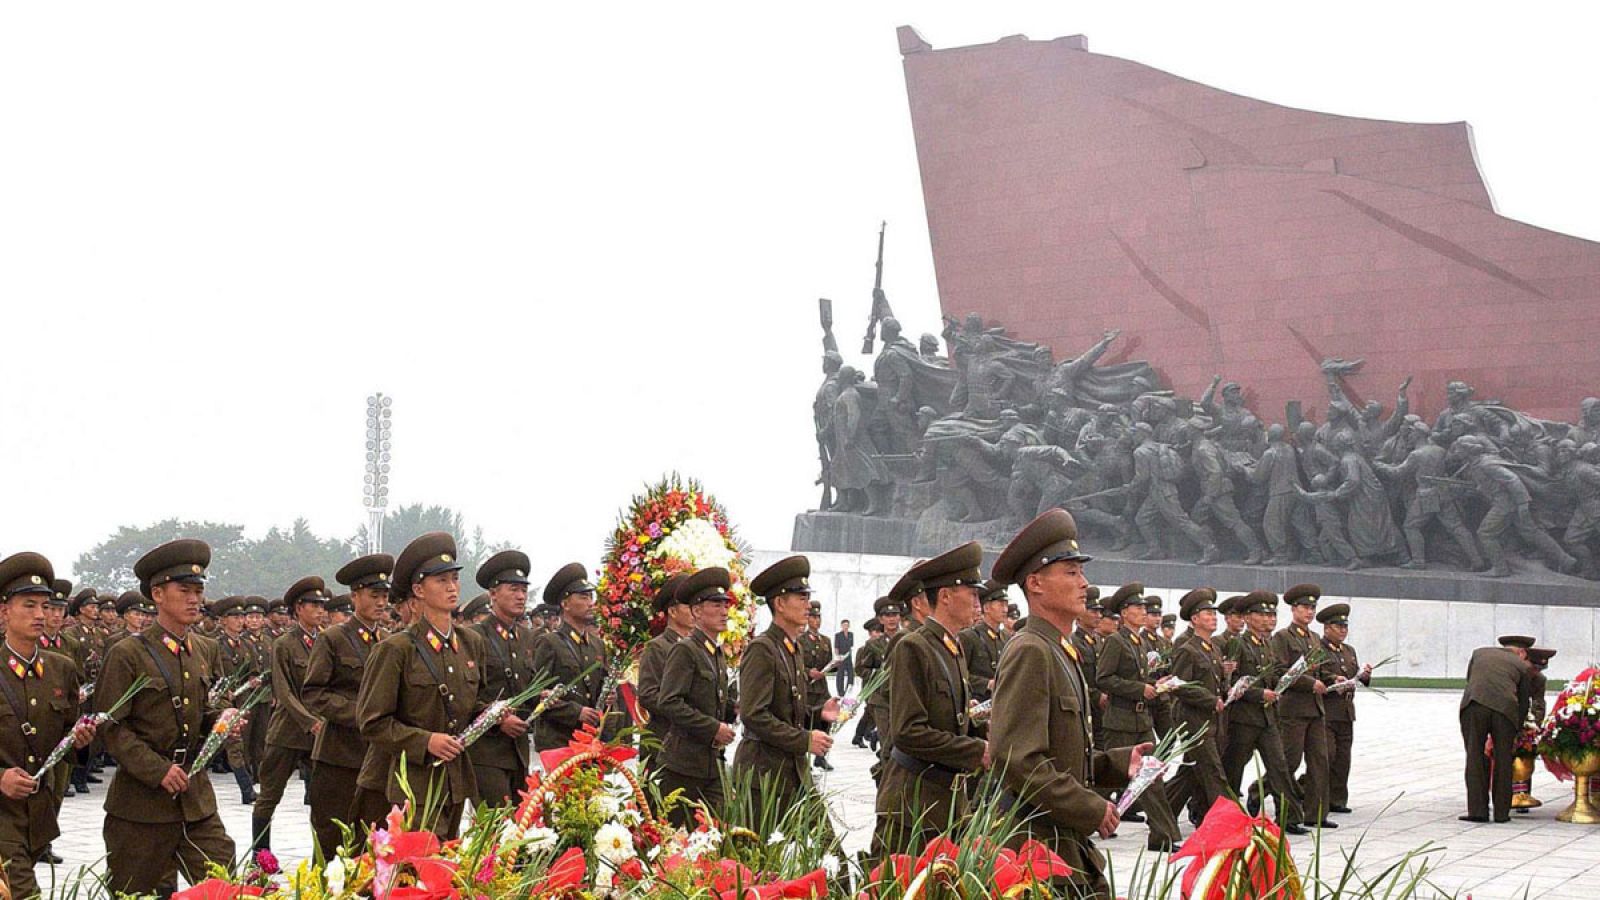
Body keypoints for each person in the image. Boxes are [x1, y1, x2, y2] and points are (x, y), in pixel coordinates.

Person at [989, 509, 1146, 898]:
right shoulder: (1031, 650)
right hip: (1035, 847)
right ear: (1036, 583)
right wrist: (1091, 809)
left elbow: (1057, 755)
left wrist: (1114, 763)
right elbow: (1019, 760)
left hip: (1060, 840)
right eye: (1071, 573)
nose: (1085, 584)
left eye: (1081, 572)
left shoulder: (1061, 649)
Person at [99, 539, 235, 896]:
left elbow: (206, 710)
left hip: (196, 802)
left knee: (227, 888)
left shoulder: (204, 649)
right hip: (142, 808)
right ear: (158, 595)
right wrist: (157, 770)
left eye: (198, 591)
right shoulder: (128, 653)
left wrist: (224, 722)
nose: (195, 599)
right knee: (137, 894)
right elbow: (110, 726)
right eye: (184, 590)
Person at [356, 532, 485, 839]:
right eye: (441, 580)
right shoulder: (396, 649)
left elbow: (468, 702)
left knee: (448, 867)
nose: (452, 587)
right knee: (421, 874)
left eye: (454, 578)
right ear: (418, 589)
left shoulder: (470, 642)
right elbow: (372, 722)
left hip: (456, 781)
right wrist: (424, 741)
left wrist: (493, 713)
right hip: (414, 785)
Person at [874, 542, 990, 855]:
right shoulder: (914, 646)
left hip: (946, 804)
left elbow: (953, 722)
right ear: (946, 595)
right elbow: (908, 731)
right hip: (912, 807)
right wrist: (976, 750)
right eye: (972, 592)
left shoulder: (953, 648)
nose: (978, 602)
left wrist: (988, 734)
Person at [0, 553, 97, 899]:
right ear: (4, 612)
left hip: (37, 815)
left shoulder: (61, 669)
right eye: (29, 605)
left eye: (46, 606)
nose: (41, 615)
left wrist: (82, 740)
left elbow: (66, 738)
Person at [301, 552, 392, 859]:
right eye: (373, 595)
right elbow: (314, 693)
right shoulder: (334, 639)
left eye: (384, 596)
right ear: (355, 596)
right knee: (331, 842)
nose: (381, 602)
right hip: (339, 756)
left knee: (373, 840)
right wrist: (362, 714)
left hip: (377, 757)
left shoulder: (390, 641)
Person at [733, 556, 838, 818]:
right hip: (763, 774)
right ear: (780, 603)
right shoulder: (763, 648)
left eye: (807, 597)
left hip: (792, 770)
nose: (807, 604)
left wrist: (818, 714)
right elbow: (753, 713)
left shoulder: (793, 648)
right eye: (800, 597)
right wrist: (804, 740)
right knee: (760, 854)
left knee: (829, 853)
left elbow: (788, 709)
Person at [1095, 583, 1181, 850]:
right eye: (1138, 607)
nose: (1144, 611)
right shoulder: (1115, 641)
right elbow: (1104, 678)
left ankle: (1162, 836)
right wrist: (1139, 689)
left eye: (1145, 607)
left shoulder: (1140, 641)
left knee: (1151, 777)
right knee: (1105, 777)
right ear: (1124, 611)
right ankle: (1076, 818)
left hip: (1141, 721)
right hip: (1120, 721)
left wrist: (1157, 683)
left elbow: (1139, 679)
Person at [655, 568, 738, 828]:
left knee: (714, 835)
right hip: (683, 766)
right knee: (669, 841)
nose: (724, 611)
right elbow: (669, 701)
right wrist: (712, 728)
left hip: (711, 764)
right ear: (697, 611)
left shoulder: (716, 653)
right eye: (716, 604)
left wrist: (734, 710)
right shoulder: (685, 650)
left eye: (726, 604)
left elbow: (712, 701)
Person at [253, 576, 328, 851]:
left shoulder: (326, 641)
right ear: (298, 608)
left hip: (319, 733)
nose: (320, 610)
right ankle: (260, 856)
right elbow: (283, 691)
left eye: (322, 605)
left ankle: (324, 855)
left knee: (322, 798)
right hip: (288, 731)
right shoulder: (285, 644)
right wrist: (310, 721)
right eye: (313, 605)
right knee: (269, 796)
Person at [1223, 591, 1306, 834]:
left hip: (1268, 717)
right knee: (1233, 769)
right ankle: (1219, 815)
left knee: (1279, 767)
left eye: (1271, 614)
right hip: (1244, 718)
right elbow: (1231, 681)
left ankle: (1289, 818)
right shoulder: (1237, 643)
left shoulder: (1267, 643)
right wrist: (1259, 694)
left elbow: (1272, 674)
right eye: (1262, 614)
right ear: (1248, 617)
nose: (1268, 618)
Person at [465, 550, 540, 808]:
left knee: (518, 827)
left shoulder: (526, 638)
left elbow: (526, 686)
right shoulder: (474, 637)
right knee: (495, 829)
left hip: (518, 750)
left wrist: (541, 699)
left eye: (523, 590)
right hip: (487, 751)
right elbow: (466, 695)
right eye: (513, 589)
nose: (521, 596)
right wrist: (497, 719)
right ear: (493, 594)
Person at [1268, 584, 1335, 830]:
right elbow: (1278, 671)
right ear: (1294, 609)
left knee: (1320, 760)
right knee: (1289, 762)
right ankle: (1273, 804)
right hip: (1294, 709)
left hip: (1315, 709)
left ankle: (1315, 813)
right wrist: (1309, 683)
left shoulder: (1315, 638)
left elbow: (1322, 668)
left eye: (1312, 608)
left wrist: (1333, 678)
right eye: (1305, 607)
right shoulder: (1283, 638)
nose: (1309, 612)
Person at [1162, 588, 1228, 823]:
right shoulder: (1187, 649)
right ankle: (1228, 823)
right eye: (1207, 613)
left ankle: (1163, 815)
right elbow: (1179, 685)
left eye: (1214, 613)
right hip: (1193, 719)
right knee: (1213, 772)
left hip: (1212, 719)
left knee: (1191, 772)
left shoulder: (1213, 648)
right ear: (1195, 619)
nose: (1213, 617)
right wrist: (1211, 700)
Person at [530, 563, 608, 752]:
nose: (591, 603)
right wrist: (575, 712)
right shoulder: (550, 643)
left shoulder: (597, 644)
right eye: (583, 597)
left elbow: (599, 689)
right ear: (565, 604)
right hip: (559, 742)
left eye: (591, 597)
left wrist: (607, 698)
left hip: (590, 740)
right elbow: (536, 695)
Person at [1459, 635, 1536, 823]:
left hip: (1474, 705)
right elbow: (1524, 700)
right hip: (1505, 710)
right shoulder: (1522, 666)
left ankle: (1477, 811)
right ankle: (1502, 813)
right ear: (1522, 652)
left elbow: (1471, 681)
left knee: (1475, 757)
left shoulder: (1479, 653)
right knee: (1503, 760)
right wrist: (1518, 727)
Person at [1317, 603, 1369, 815]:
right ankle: (1306, 790)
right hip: (1327, 710)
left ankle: (1337, 799)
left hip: (1346, 711)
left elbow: (1355, 675)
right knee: (1327, 756)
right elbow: (1319, 674)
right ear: (1326, 628)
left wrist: (1364, 675)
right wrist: (1332, 679)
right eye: (1338, 626)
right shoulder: (1318, 649)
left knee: (1342, 759)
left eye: (1344, 626)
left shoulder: (1349, 651)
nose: (1342, 630)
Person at [636, 573, 690, 775]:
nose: (694, 611)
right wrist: (686, 710)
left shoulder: (697, 648)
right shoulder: (657, 647)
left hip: (687, 744)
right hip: (661, 740)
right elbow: (648, 695)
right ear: (673, 611)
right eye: (688, 606)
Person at [211, 597, 259, 804]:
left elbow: (254, 671)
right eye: (235, 617)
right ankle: (247, 790)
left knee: (242, 744)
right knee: (234, 745)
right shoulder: (215, 646)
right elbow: (212, 675)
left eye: (242, 617)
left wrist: (253, 680)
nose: (240, 621)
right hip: (224, 703)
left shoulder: (246, 645)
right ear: (223, 620)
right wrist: (223, 692)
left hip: (243, 700)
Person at [958, 580, 1010, 705]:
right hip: (978, 702)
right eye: (1001, 604)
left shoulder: (1006, 637)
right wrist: (986, 684)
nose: (1005, 609)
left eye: (1006, 604)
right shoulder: (969, 636)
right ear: (986, 608)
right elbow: (960, 674)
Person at [801, 603, 835, 771]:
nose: (816, 620)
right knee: (805, 721)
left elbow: (829, 661)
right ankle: (804, 756)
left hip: (821, 687)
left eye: (818, 617)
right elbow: (797, 664)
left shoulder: (825, 641)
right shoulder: (801, 639)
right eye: (813, 617)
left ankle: (821, 757)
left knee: (825, 721)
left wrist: (834, 665)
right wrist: (808, 672)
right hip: (807, 687)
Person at [852, 616, 888, 750]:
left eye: (880, 631)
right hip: (871, 686)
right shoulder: (865, 648)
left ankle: (862, 735)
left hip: (883, 686)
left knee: (870, 713)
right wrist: (876, 674)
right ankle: (865, 734)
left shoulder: (886, 645)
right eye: (875, 632)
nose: (878, 634)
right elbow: (859, 669)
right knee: (871, 712)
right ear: (870, 633)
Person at [833, 619, 855, 695]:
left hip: (848, 657)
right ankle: (840, 692)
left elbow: (851, 646)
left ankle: (848, 690)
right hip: (841, 657)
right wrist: (838, 657)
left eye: (847, 625)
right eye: (844, 625)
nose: (846, 627)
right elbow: (836, 647)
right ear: (841, 626)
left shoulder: (851, 634)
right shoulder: (838, 635)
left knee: (851, 674)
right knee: (840, 675)